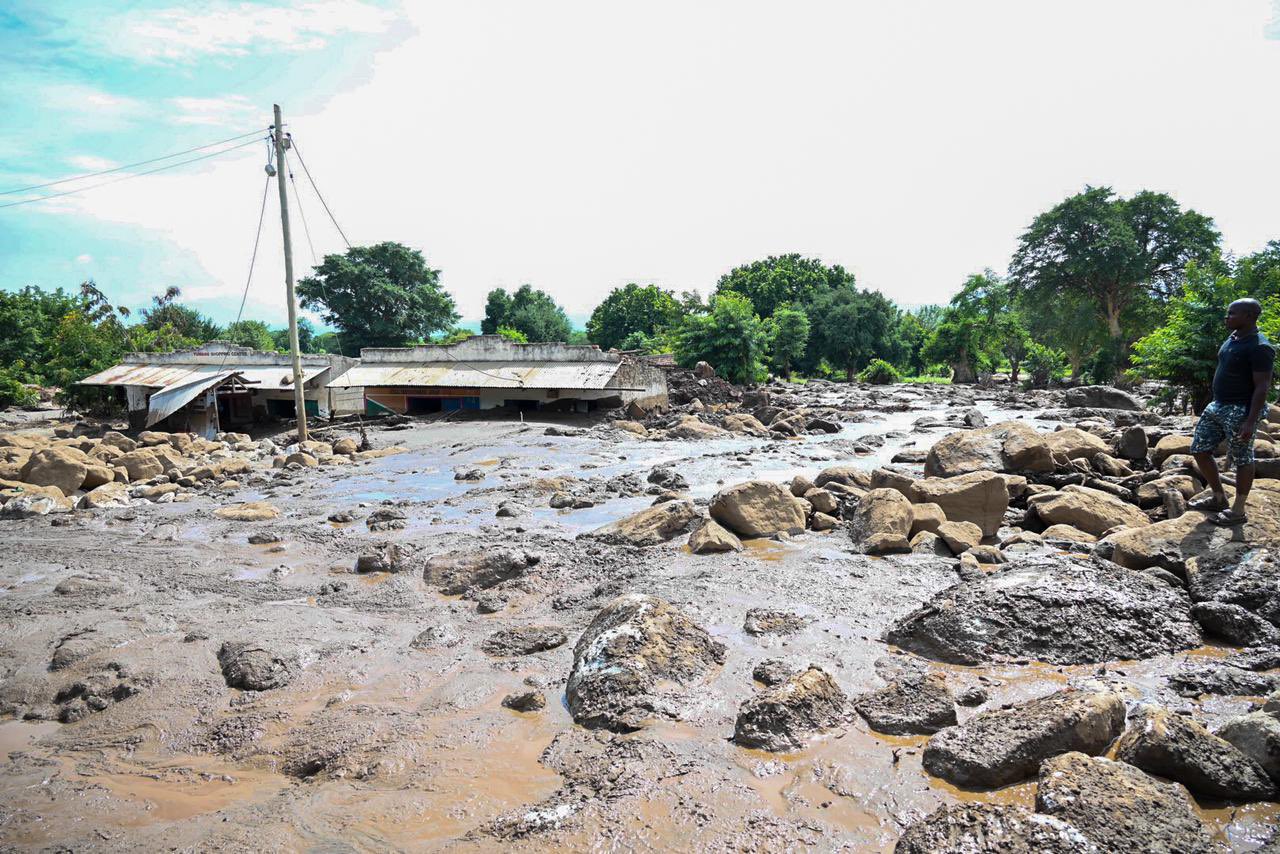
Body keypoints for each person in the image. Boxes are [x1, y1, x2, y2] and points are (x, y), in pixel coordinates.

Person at [1187, 298, 1275, 525]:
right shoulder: (1233, 337)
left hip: (1240, 410)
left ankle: (1238, 510)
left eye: (1232, 313)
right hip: (1217, 405)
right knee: (1199, 449)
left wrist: (1250, 421)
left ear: (1248, 316)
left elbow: (1262, 386)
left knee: (1243, 458)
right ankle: (1218, 497)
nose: (1227, 317)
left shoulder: (1260, 347)